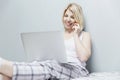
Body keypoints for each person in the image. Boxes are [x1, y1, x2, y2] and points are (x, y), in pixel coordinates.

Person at [0, 3, 91, 80]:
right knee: (39, 64)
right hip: (58, 65)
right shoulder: (59, 35)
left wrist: (75, 34)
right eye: (66, 16)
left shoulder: (84, 35)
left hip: (76, 70)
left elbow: (83, 57)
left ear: (77, 19)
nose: (67, 19)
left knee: (51, 66)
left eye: (72, 17)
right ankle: (5, 74)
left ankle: (5, 66)